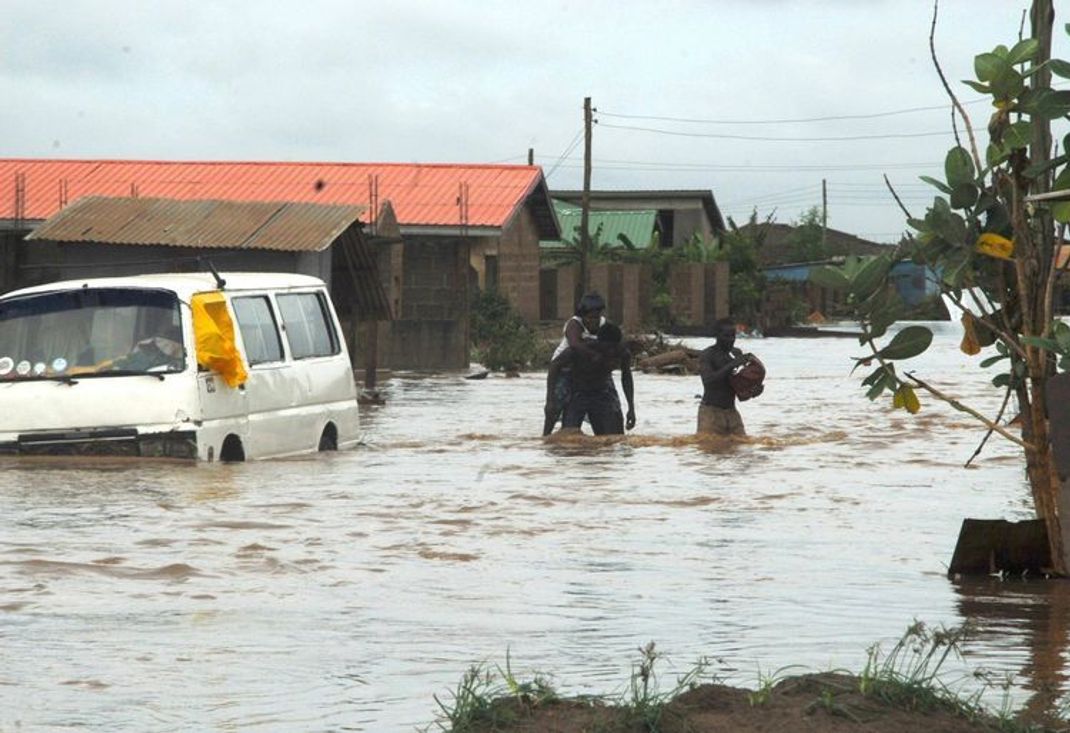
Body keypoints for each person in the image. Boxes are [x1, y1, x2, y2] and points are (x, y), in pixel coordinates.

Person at [545, 322, 635, 436]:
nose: (611, 352)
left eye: (614, 347)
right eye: (607, 348)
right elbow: (554, 366)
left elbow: (626, 377)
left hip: (603, 394)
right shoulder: (582, 350)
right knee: (568, 438)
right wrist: (550, 400)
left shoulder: (622, 353)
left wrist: (631, 408)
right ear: (600, 343)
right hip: (578, 393)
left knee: (614, 439)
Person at [544, 292, 608, 433]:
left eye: (596, 317)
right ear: (583, 316)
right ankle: (545, 437)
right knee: (553, 409)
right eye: (590, 318)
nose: (594, 321)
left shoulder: (603, 324)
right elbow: (575, 345)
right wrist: (549, 400)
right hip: (562, 369)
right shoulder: (574, 324)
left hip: (581, 370)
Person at [697, 318, 762, 437]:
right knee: (708, 447)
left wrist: (753, 391)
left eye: (733, 336)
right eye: (726, 336)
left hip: (732, 412)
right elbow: (708, 381)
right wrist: (732, 364)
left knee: (739, 447)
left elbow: (738, 388)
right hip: (710, 412)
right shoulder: (707, 355)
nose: (731, 340)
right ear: (717, 335)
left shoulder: (736, 353)